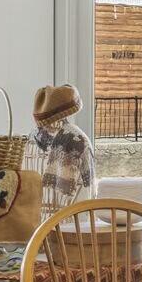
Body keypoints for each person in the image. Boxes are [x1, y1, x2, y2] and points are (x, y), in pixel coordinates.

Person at [32, 83, 96, 214]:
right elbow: (88, 192)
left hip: (38, 223)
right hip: (72, 221)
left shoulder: (31, 138)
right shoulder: (79, 140)